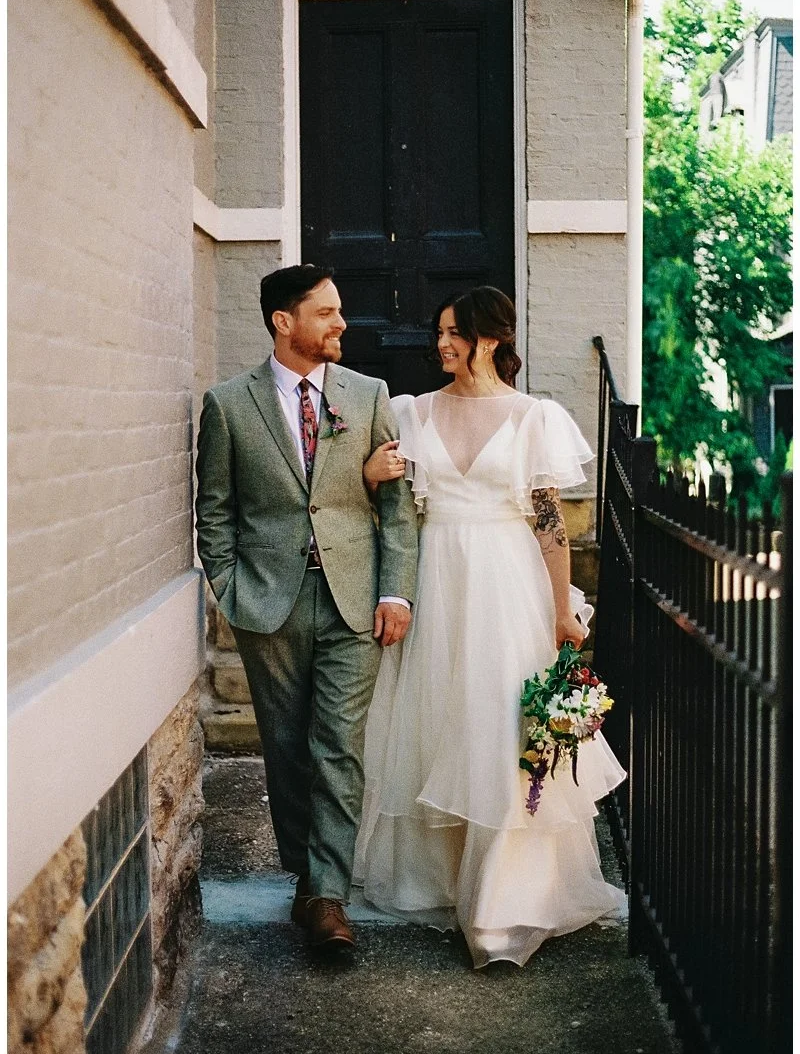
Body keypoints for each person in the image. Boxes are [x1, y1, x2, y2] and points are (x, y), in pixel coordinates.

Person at [354, 286, 626, 968]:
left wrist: (562, 610)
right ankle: (442, 879)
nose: (442, 343)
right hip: (436, 583)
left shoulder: (534, 418)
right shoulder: (412, 412)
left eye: (456, 332)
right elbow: (387, 512)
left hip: (507, 588)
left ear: (492, 338)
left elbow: (550, 525)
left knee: (504, 734)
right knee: (441, 727)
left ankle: (501, 906)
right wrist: (369, 475)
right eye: (441, 331)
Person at [195, 264, 418, 949]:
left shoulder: (368, 394)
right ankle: (305, 876)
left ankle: (327, 895)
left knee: (338, 745)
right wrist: (231, 588)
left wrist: (395, 589)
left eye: (339, 310)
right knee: (288, 747)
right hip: (270, 602)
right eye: (326, 312)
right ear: (283, 321)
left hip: (354, 601)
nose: (341, 323)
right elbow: (214, 511)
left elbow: (396, 508)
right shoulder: (228, 405)